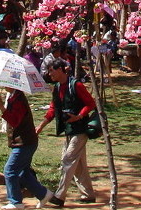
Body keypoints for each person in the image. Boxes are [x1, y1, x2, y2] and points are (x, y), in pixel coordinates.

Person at [36, 58, 97, 206]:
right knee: (78, 163)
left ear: (61, 70)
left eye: (52, 71)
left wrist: (79, 116)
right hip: (69, 131)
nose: (49, 74)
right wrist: (41, 126)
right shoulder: (57, 88)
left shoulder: (76, 85)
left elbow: (91, 103)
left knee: (67, 160)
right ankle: (88, 194)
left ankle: (59, 196)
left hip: (80, 129)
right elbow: (52, 110)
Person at [0, 88, 56, 210]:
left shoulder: (19, 100)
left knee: (10, 170)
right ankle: (43, 194)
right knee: (23, 172)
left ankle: (16, 202)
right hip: (24, 142)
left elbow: (15, 121)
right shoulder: (13, 97)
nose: (3, 85)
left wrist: (1, 108)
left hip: (24, 143)